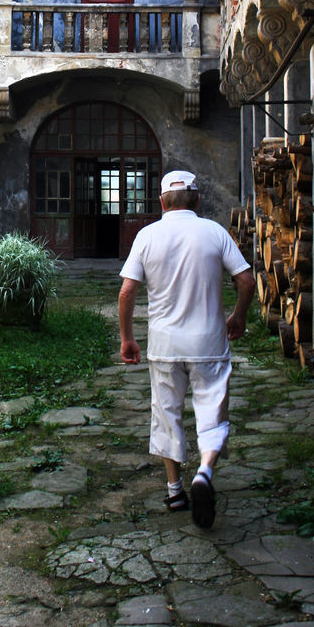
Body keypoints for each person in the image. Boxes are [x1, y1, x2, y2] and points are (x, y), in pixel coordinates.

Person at [118, 170, 255, 528]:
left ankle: (175, 488)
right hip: (209, 343)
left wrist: (127, 337)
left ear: (161, 202)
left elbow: (127, 291)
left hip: (164, 345)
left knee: (167, 413)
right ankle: (205, 472)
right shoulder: (214, 232)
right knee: (212, 412)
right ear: (196, 199)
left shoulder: (147, 236)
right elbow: (245, 279)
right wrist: (238, 316)